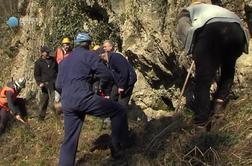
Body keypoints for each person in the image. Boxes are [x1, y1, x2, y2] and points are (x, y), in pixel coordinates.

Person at [57, 32, 132, 165]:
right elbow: (106, 75)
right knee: (119, 110)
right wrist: (92, 79)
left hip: (67, 101)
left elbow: (57, 85)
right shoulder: (90, 55)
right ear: (88, 44)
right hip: (83, 97)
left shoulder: (64, 61)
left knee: (69, 139)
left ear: (75, 44)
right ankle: (117, 146)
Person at [176, 0, 249, 125]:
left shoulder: (187, 11)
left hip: (212, 33)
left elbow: (184, 29)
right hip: (238, 34)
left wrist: (193, 50)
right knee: (228, 68)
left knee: (203, 79)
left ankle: (201, 120)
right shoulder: (217, 9)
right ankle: (219, 104)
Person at [34, 46, 58, 120]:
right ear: (42, 53)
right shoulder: (38, 63)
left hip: (55, 83)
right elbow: (37, 75)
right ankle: (41, 118)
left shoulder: (53, 60)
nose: (47, 53)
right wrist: (39, 83)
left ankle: (57, 116)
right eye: (46, 52)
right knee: (44, 102)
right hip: (45, 85)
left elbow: (57, 70)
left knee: (55, 101)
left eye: (48, 52)